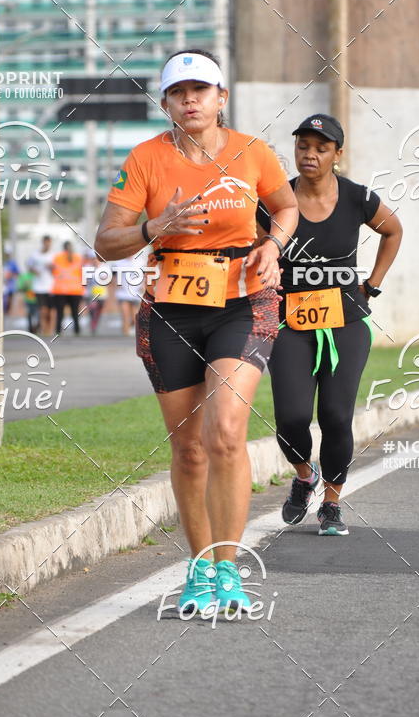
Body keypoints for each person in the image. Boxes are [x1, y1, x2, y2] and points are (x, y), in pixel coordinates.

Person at [95, 48, 298, 614]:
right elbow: (105, 241)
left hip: (242, 300)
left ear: (220, 98)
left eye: (201, 90)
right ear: (165, 103)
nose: (190, 99)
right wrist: (153, 226)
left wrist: (273, 245)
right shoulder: (144, 160)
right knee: (188, 449)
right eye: (179, 92)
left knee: (226, 432)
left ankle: (229, 567)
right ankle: (200, 565)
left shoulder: (253, 153)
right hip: (171, 307)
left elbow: (285, 207)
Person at [256, 114, 402, 536]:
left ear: (338, 154)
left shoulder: (358, 198)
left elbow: (394, 231)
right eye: (303, 146)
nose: (310, 155)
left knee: (337, 416)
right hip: (289, 324)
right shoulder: (274, 201)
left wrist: (371, 286)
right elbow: (253, 249)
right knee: (291, 418)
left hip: (346, 323)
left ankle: (333, 504)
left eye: (321, 148)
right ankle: (305, 476)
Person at [52, 241, 84, 335]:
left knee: (60, 313)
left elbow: (54, 272)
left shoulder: (58, 258)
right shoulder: (78, 258)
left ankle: (58, 331)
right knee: (75, 313)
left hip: (61, 289)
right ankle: (77, 331)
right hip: (75, 290)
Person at [112, 251, 147, 335]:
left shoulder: (140, 262)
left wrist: (143, 286)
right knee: (125, 315)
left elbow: (145, 276)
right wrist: (116, 284)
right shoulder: (118, 262)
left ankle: (136, 335)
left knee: (135, 316)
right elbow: (113, 276)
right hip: (123, 293)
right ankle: (125, 334)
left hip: (136, 293)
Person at [27, 235, 54, 336]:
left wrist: (52, 267)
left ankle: (49, 330)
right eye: (46, 242)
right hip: (38, 287)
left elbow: (57, 269)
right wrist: (34, 270)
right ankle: (43, 329)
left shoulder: (53, 255)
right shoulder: (35, 255)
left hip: (50, 286)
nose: (48, 244)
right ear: (43, 242)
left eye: (49, 243)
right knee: (42, 310)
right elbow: (29, 266)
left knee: (50, 311)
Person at [17, 267, 38, 333]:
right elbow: (20, 287)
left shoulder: (38, 275)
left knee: (38, 314)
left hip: (39, 298)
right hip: (29, 299)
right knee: (30, 313)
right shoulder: (24, 276)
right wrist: (25, 286)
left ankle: (37, 327)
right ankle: (30, 328)